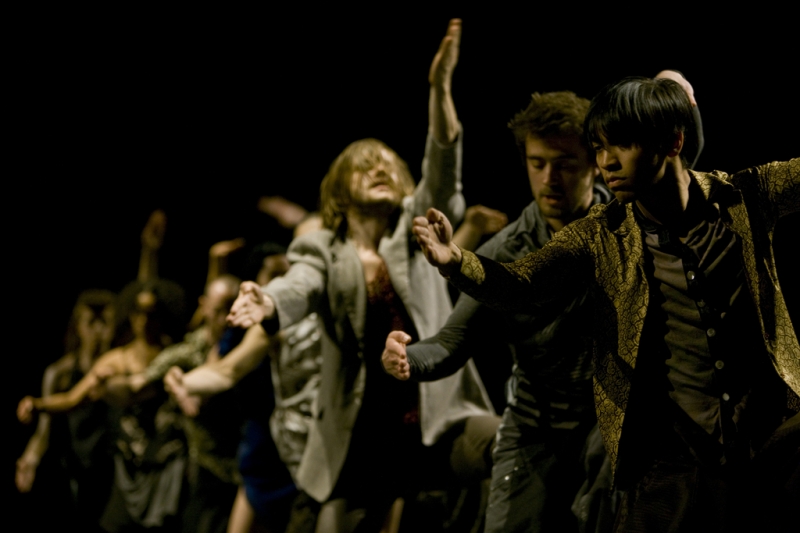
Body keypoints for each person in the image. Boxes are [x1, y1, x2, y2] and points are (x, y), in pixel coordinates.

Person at [411, 76, 799, 532]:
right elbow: (523, 283)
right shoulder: (601, 234)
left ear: (673, 142)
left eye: (623, 145)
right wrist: (456, 260)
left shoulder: (744, 196)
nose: (607, 162)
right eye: (598, 148)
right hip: (677, 457)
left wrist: (680, 93)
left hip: (772, 438)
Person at [168, 19, 496, 532]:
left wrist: (439, 90)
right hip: (365, 437)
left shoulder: (419, 232)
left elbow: (443, 166)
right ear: (340, 191)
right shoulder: (322, 247)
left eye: (388, 164)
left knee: (512, 443)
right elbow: (299, 283)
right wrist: (268, 302)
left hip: (437, 420)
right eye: (365, 165)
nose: (380, 168)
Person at [382, 74, 701, 532]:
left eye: (565, 163)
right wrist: (407, 357)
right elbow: (453, 341)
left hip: (616, 419)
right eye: (537, 163)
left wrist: (674, 92)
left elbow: (681, 166)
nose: (550, 178)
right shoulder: (505, 250)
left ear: (595, 162)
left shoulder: (630, 219)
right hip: (537, 424)